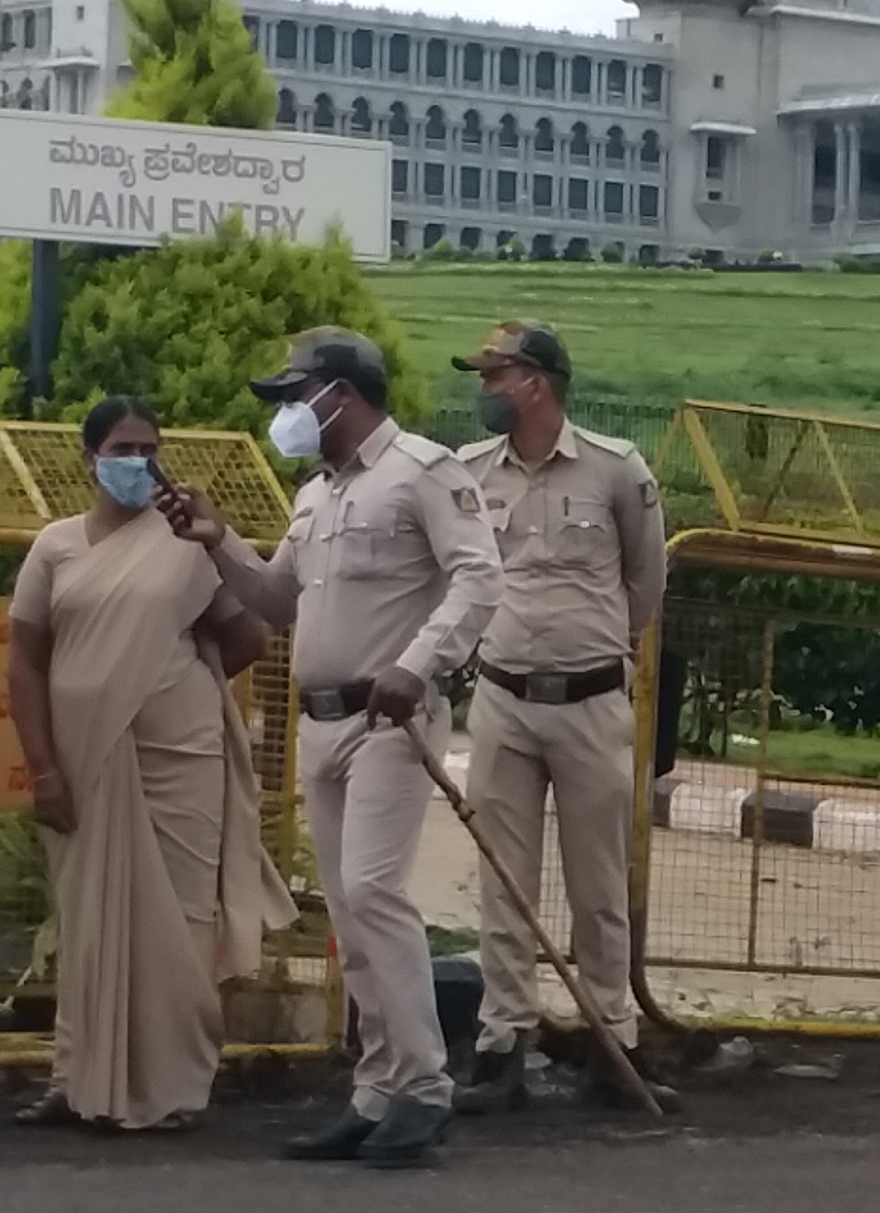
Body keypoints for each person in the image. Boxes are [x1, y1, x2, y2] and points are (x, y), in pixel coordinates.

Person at [176, 327, 497, 1170]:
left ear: (341, 395)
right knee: (350, 914)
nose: (289, 412)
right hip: (321, 720)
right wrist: (218, 542)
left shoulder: (421, 471)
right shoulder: (316, 495)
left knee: (374, 892)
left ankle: (424, 1088)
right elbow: (274, 600)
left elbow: (479, 576)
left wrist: (417, 665)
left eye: (296, 394)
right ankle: (377, 1090)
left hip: (389, 715)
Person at [6, 395, 291, 1132]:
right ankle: (76, 1082)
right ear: (89, 457)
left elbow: (246, 638)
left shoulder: (184, 540)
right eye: (123, 450)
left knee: (183, 920)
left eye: (149, 450)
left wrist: (161, 679)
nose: (138, 464)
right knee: (89, 921)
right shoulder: (56, 547)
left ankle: (174, 1089)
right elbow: (25, 663)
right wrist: (43, 767)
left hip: (180, 757)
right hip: (84, 756)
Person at [445, 321, 667, 1113]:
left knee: (598, 885)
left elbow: (645, 582)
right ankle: (503, 1046)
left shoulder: (615, 470)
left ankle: (612, 1041)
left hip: (590, 700)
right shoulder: (469, 475)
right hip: (503, 696)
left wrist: (598, 650)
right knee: (502, 886)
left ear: (536, 383)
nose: (485, 391)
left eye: (495, 375)